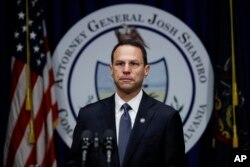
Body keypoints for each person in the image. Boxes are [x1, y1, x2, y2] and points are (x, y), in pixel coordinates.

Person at [67, 39, 186, 167]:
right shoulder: (89, 115)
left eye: (134, 63)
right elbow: (75, 163)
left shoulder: (166, 117)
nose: (126, 70)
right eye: (120, 63)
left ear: (146, 70)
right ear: (111, 69)